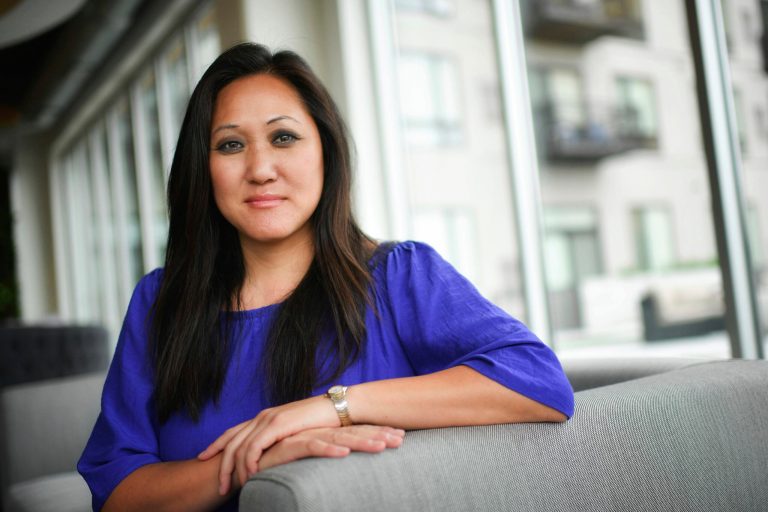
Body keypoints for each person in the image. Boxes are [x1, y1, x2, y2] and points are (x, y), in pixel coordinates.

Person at [78, 42, 574, 512]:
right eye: (230, 145)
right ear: (203, 170)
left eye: (283, 137)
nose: (260, 169)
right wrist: (255, 462)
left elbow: (539, 383)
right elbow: (117, 494)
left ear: (325, 152)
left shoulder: (398, 276)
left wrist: (334, 407)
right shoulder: (160, 302)